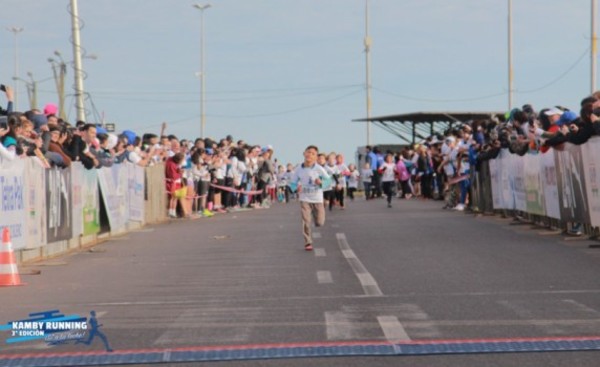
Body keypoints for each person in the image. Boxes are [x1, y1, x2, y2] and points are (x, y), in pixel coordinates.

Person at [291, 145, 330, 251]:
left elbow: (329, 181)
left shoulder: (319, 169)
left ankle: (318, 213)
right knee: (306, 221)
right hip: (305, 198)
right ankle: (308, 242)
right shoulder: (299, 169)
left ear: (316, 157)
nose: (310, 155)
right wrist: (296, 188)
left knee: (320, 222)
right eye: (308, 152)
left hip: (317, 198)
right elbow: (293, 182)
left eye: (313, 153)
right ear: (304, 153)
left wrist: (321, 182)